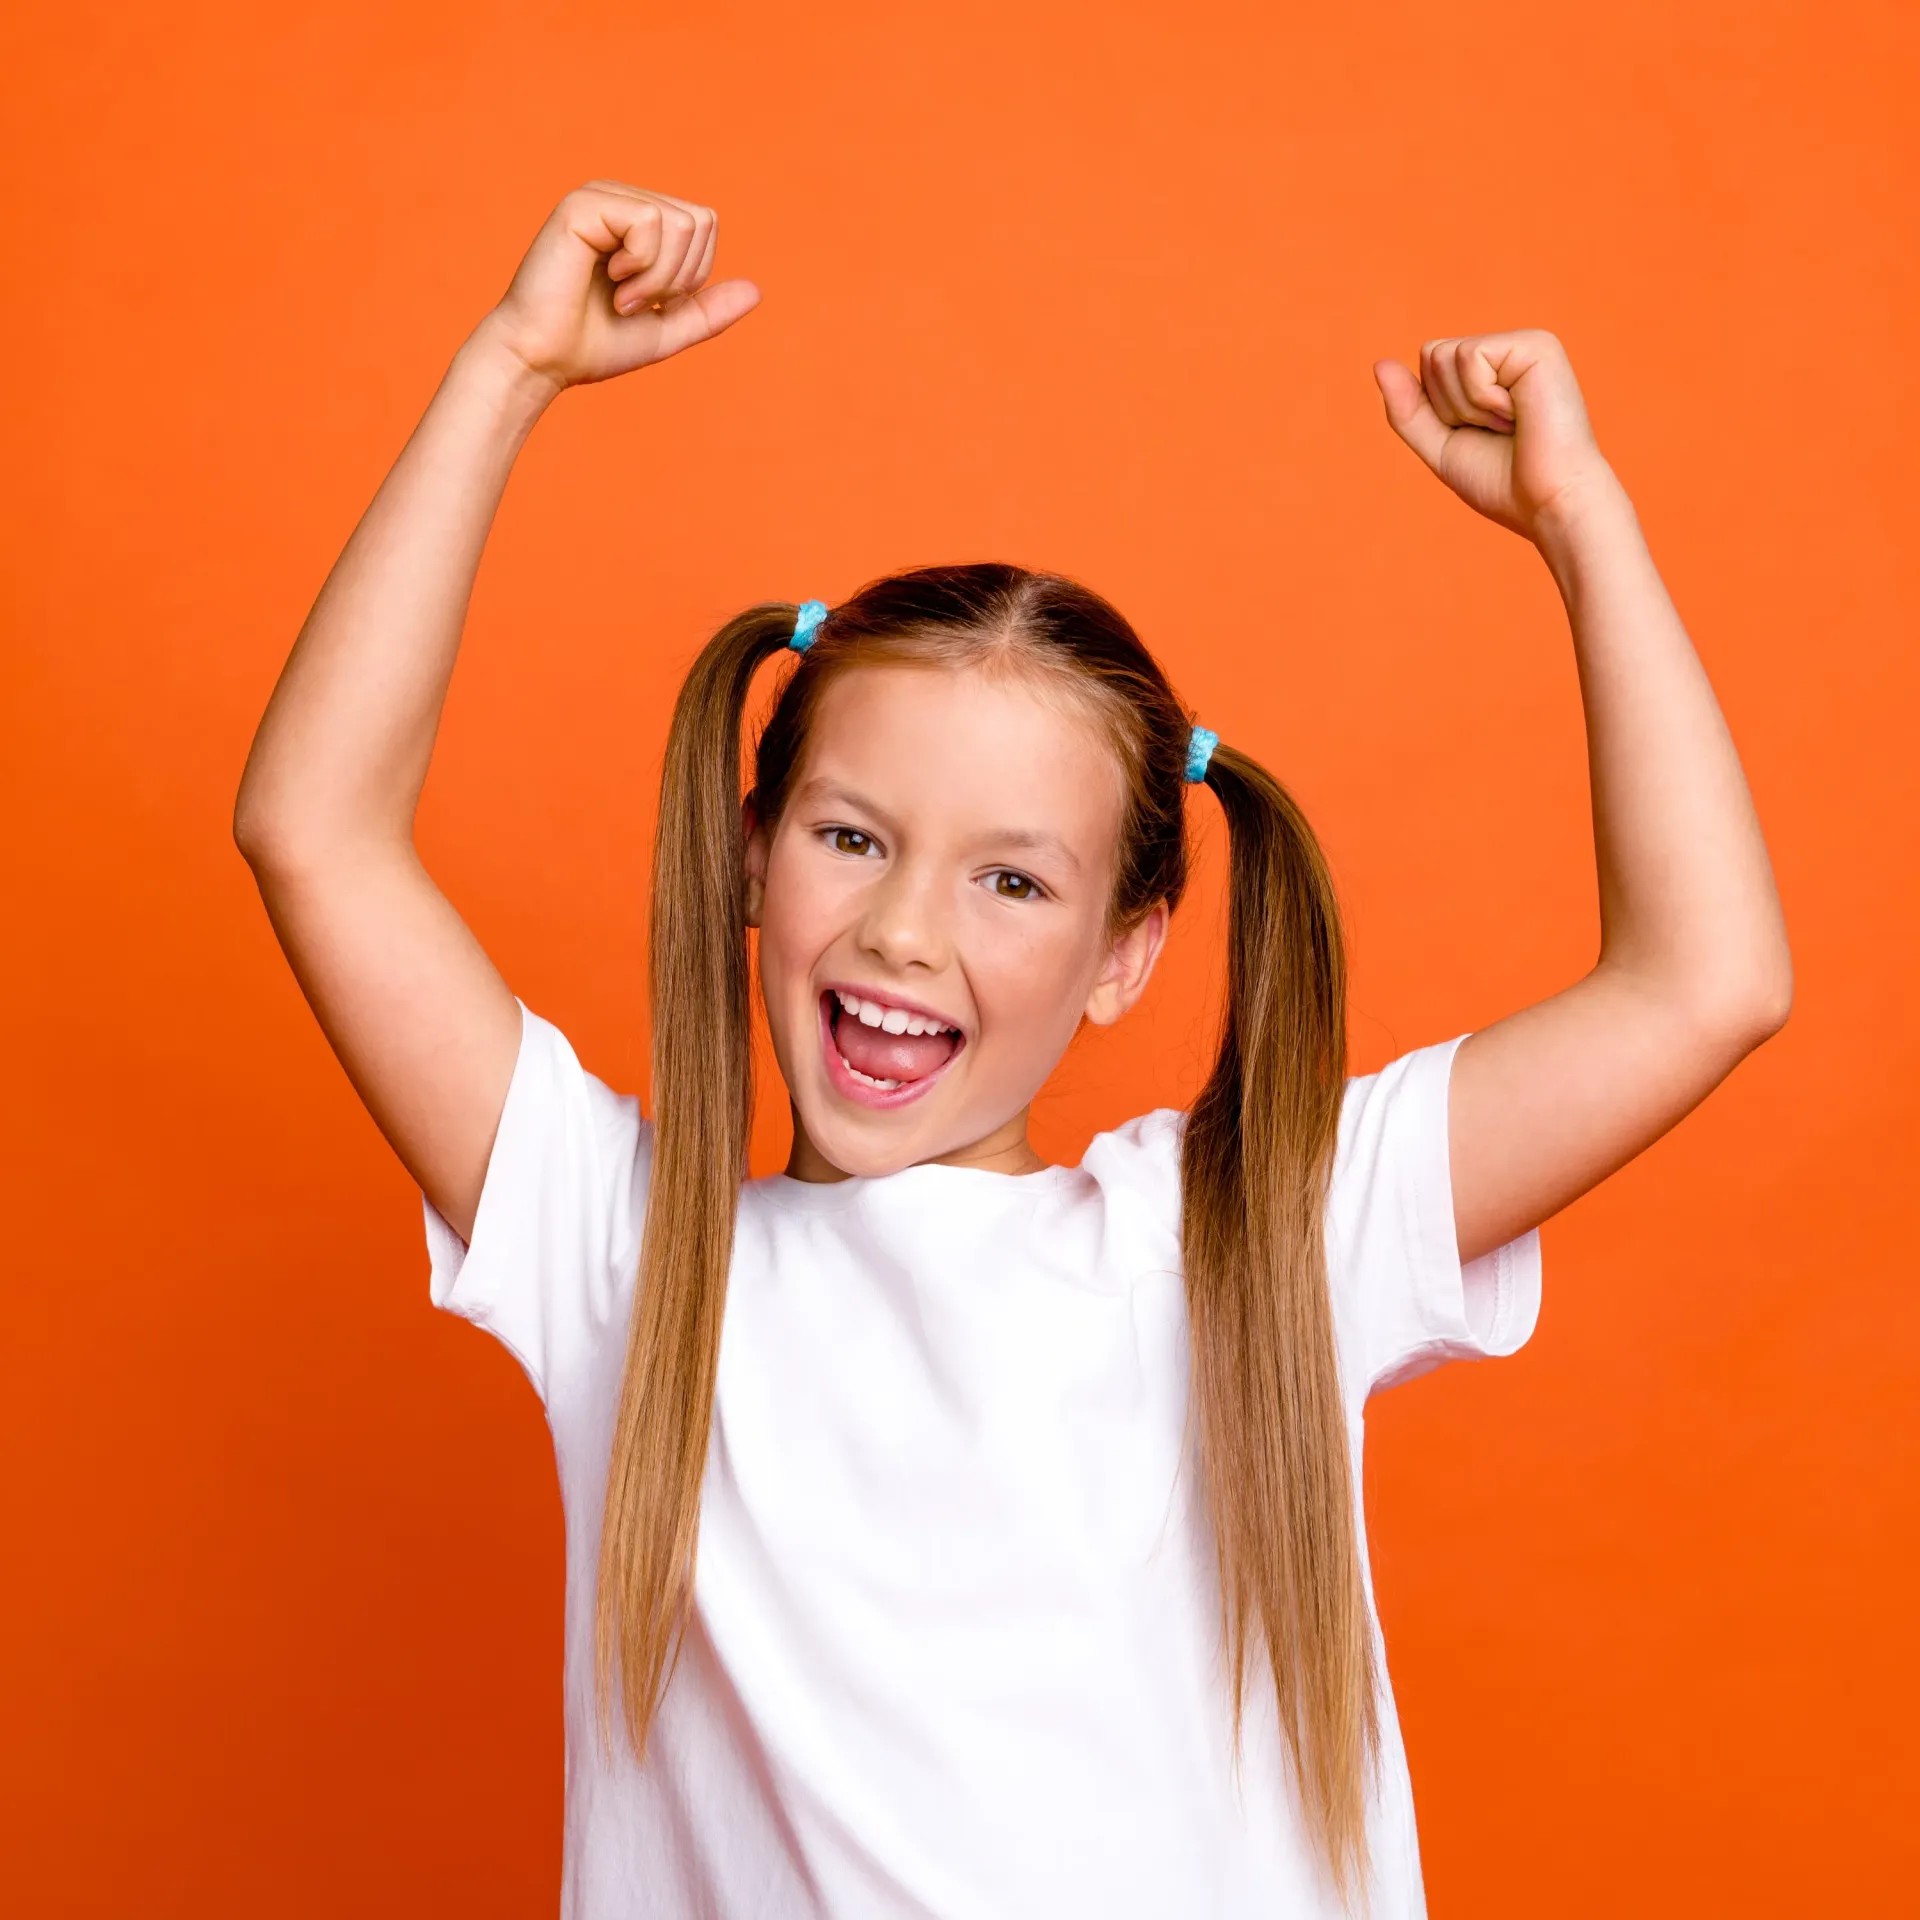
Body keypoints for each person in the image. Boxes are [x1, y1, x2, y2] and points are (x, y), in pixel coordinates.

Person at [233, 181, 1791, 1918]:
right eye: (850, 838)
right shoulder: (629, 1257)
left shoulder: (1248, 1240)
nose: (907, 928)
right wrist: (509, 366)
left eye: (1009, 880)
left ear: (1125, 956)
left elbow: (1705, 981)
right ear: (751, 855)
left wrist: (1583, 521)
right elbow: (317, 832)